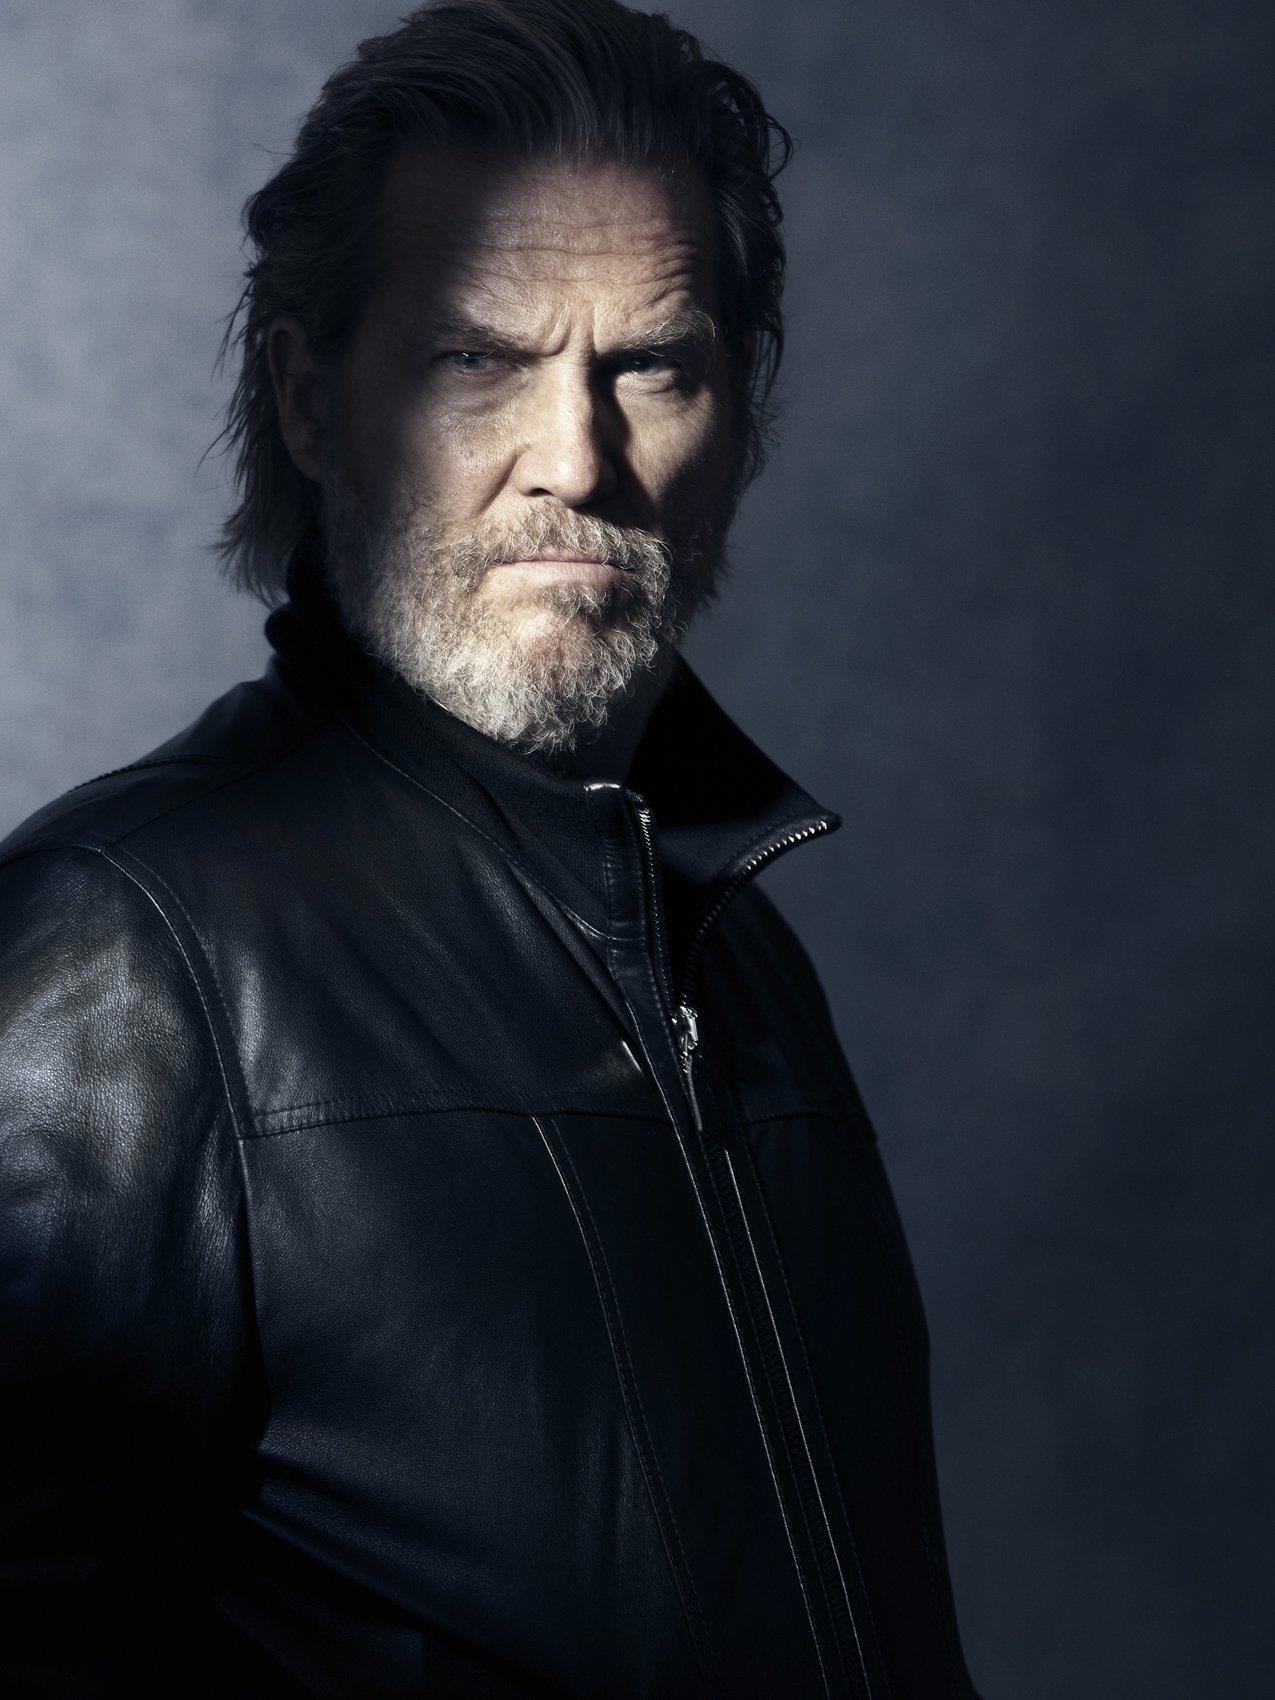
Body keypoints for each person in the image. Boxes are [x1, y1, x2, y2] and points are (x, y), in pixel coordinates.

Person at [0, 2, 978, 1694]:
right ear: (312, 401)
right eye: (478, 360)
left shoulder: (736, 946)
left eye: (652, 365)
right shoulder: (114, 962)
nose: (577, 462)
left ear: (740, 413)